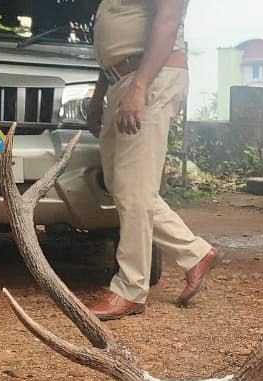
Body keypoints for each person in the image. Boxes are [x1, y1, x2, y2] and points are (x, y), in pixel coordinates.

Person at [84, 0, 218, 320]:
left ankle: (131, 288)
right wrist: (100, 94)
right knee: (124, 185)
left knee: (133, 189)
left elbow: (168, 20)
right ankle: (195, 252)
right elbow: (114, 39)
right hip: (122, 79)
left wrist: (139, 87)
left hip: (150, 78)